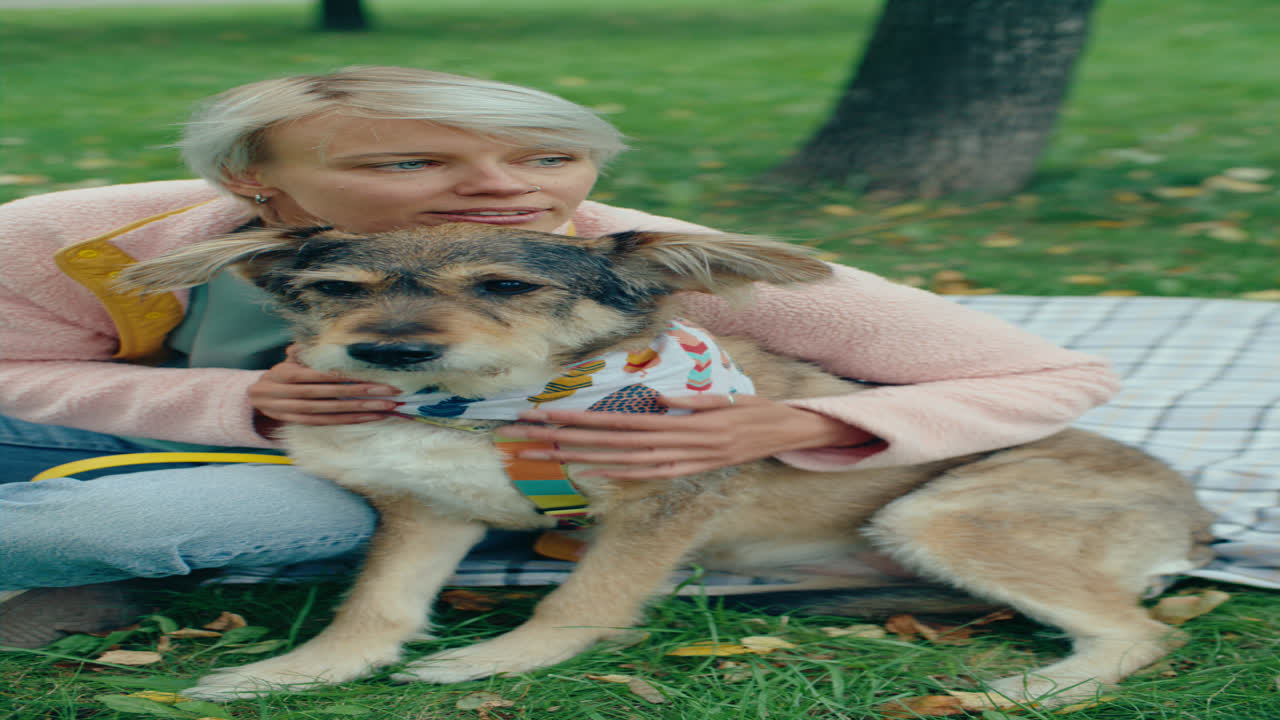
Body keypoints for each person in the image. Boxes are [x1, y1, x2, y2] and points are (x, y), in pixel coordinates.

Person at [0, 66, 1118, 648]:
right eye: (410, 161)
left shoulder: (621, 262)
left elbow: (1053, 377)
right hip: (151, 422)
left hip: (328, 479)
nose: (510, 191)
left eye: (549, 155)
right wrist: (243, 395)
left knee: (201, 526)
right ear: (255, 183)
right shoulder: (75, 236)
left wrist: (808, 425)